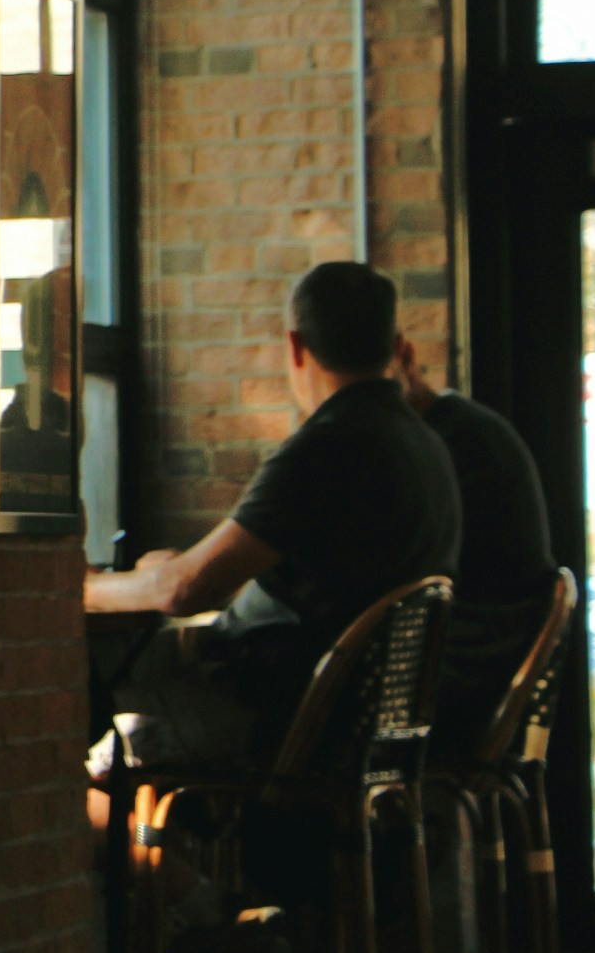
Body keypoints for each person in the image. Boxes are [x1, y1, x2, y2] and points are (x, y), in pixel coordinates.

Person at [85, 262, 462, 782]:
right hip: (356, 723)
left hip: (279, 719)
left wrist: (81, 588)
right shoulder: (426, 446)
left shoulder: (328, 447)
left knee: (81, 759)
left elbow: (184, 590)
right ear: (394, 344)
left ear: (295, 346)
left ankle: (156, 857)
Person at [391, 335, 558, 761]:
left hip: (462, 694)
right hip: (485, 679)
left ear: (406, 356)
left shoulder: (448, 446)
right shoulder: (464, 429)